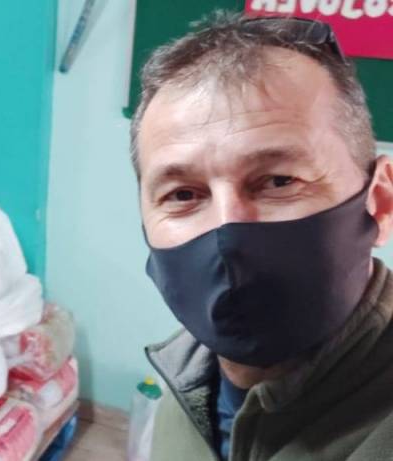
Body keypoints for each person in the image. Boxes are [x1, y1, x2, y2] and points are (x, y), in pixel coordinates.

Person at [132, 13, 393, 460]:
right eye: (183, 194)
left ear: (380, 202)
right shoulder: (183, 384)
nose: (227, 231)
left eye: (278, 181)